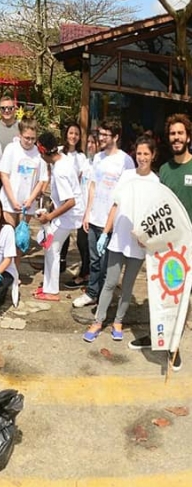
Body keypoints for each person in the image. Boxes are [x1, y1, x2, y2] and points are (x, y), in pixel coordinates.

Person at [129, 114, 192, 371]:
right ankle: (158, 336)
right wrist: (145, 234)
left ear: (188, 136)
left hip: (188, 246)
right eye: (172, 134)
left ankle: (173, 346)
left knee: (182, 296)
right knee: (158, 293)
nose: (176, 138)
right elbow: (157, 208)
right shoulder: (164, 170)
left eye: (180, 133)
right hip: (165, 247)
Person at [83, 136, 158, 343]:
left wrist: (147, 237)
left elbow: (154, 214)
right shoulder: (126, 175)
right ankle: (98, 321)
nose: (142, 157)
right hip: (118, 239)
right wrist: (106, 233)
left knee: (127, 286)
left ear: (153, 156)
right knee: (109, 282)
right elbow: (115, 206)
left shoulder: (155, 182)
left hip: (138, 243)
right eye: (139, 153)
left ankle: (118, 322)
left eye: (146, 154)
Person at [74, 120, 135, 310]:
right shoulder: (98, 158)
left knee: (107, 263)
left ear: (116, 137)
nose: (100, 138)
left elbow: (129, 192)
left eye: (105, 135)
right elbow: (92, 186)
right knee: (94, 259)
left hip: (113, 221)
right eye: (100, 134)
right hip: (94, 217)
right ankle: (92, 293)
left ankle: (104, 296)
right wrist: (87, 213)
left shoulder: (125, 161)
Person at [34, 131, 84, 302]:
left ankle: (52, 290)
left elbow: (70, 201)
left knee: (52, 249)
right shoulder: (62, 159)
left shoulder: (60, 171)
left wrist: (50, 217)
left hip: (68, 216)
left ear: (43, 152)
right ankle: (49, 286)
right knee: (50, 248)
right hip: (67, 215)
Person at [0, 120, 48, 263]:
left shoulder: (39, 153)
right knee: (7, 237)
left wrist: (31, 199)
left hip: (27, 203)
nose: (30, 141)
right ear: (20, 135)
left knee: (20, 238)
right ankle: (3, 268)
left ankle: (15, 271)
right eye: (27, 138)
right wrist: (12, 200)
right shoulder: (11, 149)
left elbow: (41, 180)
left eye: (33, 138)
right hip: (9, 200)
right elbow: (4, 175)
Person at [60, 122, 91, 288]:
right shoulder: (59, 152)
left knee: (81, 239)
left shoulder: (81, 157)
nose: (73, 136)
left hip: (77, 202)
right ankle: (61, 261)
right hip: (60, 200)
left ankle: (85, 271)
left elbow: (81, 180)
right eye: (71, 133)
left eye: (76, 134)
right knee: (60, 234)